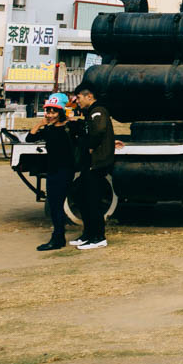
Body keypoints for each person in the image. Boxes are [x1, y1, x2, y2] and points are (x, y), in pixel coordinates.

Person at [25, 93, 78, 251]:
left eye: (53, 111)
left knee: (56, 205)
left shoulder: (71, 127)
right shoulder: (48, 130)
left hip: (65, 171)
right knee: (54, 205)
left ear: (61, 112)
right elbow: (30, 138)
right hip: (52, 171)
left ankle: (58, 238)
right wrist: (40, 123)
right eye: (48, 111)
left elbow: (88, 137)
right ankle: (58, 237)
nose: (49, 115)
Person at [68, 84, 115, 251]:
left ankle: (98, 237)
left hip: (98, 163)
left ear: (89, 96)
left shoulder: (98, 111)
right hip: (91, 163)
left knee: (92, 200)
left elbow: (99, 131)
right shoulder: (90, 113)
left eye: (78, 97)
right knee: (82, 197)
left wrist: (90, 146)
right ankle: (88, 234)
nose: (77, 101)